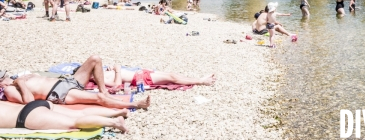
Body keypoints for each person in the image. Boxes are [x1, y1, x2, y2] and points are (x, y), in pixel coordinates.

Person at [0, 55, 150, 110]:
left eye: (5, 74)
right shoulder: (9, 89)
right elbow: (29, 103)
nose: (7, 77)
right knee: (98, 99)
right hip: (59, 93)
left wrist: (27, 77)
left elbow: (39, 76)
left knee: (95, 59)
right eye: (3, 78)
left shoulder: (18, 79)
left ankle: (103, 90)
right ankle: (136, 104)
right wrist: (21, 83)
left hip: (67, 81)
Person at [0, 99, 128, 133]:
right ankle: (118, 112)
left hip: (27, 116)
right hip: (34, 105)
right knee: (79, 113)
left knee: (75, 122)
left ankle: (115, 123)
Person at [97, 64, 216, 89]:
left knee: (172, 75)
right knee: (172, 79)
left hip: (142, 73)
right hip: (140, 79)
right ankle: (201, 81)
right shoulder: (100, 79)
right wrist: (117, 70)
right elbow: (117, 85)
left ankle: (199, 79)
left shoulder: (102, 72)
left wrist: (111, 68)